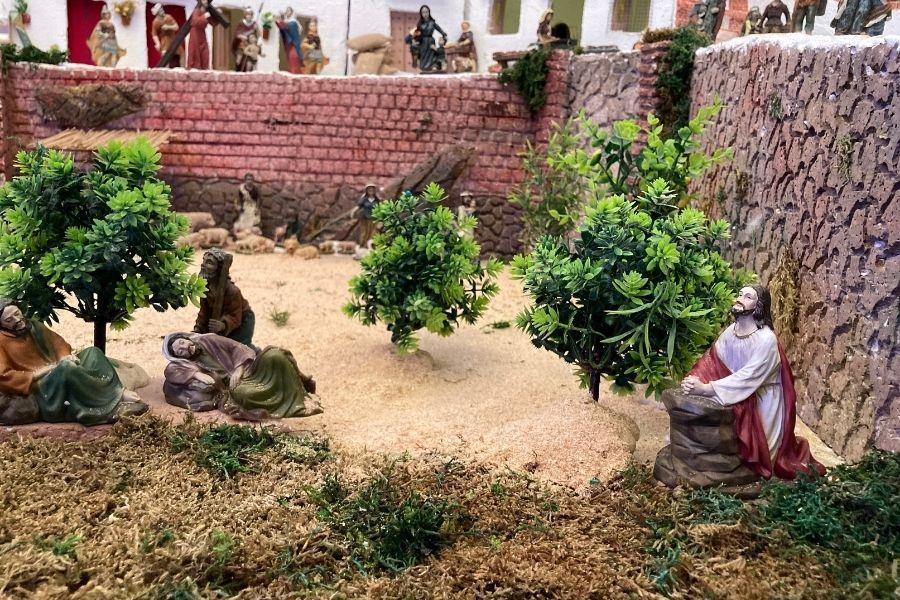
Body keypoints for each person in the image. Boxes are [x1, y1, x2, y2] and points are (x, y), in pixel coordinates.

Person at [681, 285, 825, 480]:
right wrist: (695, 378)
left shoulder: (766, 340)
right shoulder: (732, 331)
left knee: (761, 456)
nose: (740, 299)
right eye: (740, 294)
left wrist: (707, 389)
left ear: (759, 305)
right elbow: (713, 359)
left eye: (748, 297)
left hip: (763, 401)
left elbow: (748, 376)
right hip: (734, 393)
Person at [0, 299, 146, 425]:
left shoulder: (34, 326)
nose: (17, 320)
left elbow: (58, 343)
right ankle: (110, 409)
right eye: (9, 320)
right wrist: (41, 372)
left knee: (93, 353)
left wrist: (64, 356)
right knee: (67, 368)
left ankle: (116, 392)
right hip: (43, 389)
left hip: (57, 368)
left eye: (17, 313)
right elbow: (4, 376)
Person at [163, 332, 321, 420]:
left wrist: (238, 370)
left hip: (248, 369)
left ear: (186, 338)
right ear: (180, 357)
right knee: (242, 394)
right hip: (236, 386)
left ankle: (301, 395)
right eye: (180, 351)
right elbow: (172, 371)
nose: (185, 348)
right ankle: (284, 407)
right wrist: (196, 374)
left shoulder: (208, 339)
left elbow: (236, 347)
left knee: (275, 354)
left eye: (182, 343)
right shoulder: (189, 364)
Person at [194, 249, 255, 347]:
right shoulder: (205, 287)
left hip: (241, 323)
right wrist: (198, 329)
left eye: (209, 262)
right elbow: (204, 312)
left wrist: (223, 325)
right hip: (217, 321)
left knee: (235, 349)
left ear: (219, 268)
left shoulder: (232, 291)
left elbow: (235, 316)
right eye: (204, 260)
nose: (203, 265)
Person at [414, 5, 447, 72]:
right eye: (423, 12)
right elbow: (417, 33)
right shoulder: (420, 24)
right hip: (423, 42)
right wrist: (416, 39)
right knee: (423, 55)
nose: (425, 14)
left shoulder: (432, 22)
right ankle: (423, 68)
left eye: (426, 12)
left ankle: (432, 67)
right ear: (421, 13)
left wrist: (443, 33)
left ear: (429, 12)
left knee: (432, 55)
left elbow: (439, 28)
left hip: (430, 41)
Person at [151, 3, 182, 68]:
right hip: (164, 42)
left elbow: (176, 27)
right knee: (165, 58)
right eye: (160, 10)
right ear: (157, 13)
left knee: (175, 57)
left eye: (162, 9)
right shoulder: (155, 22)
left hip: (173, 40)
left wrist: (168, 27)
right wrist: (158, 43)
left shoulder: (168, 17)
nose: (162, 11)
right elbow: (154, 34)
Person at [277, 7, 305, 74]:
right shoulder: (287, 20)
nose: (287, 12)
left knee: (294, 57)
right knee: (291, 58)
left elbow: (286, 26)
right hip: (289, 44)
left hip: (293, 43)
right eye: (286, 11)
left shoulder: (293, 22)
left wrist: (281, 22)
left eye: (289, 11)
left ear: (292, 12)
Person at [187, 0, 212, 69]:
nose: (206, 1)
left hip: (202, 34)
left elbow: (213, 22)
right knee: (195, 52)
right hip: (195, 34)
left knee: (204, 53)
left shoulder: (206, 12)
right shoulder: (196, 11)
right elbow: (195, 22)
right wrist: (204, 16)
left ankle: (204, 68)